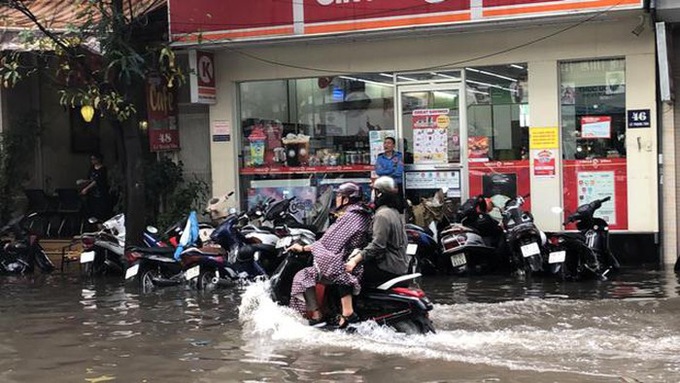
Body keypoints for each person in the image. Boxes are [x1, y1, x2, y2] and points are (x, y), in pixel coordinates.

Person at [288, 182, 372, 327]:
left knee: (302, 276)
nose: (336, 198)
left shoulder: (351, 216)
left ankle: (318, 314)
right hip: (356, 260)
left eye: (339, 195)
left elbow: (327, 243)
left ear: (346, 199)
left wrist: (302, 249)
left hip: (347, 264)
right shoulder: (362, 214)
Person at [343, 176, 409, 326]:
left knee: (343, 273)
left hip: (387, 266)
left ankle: (347, 315)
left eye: (374, 190)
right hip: (399, 264)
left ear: (379, 193)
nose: (372, 194)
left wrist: (355, 259)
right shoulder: (395, 212)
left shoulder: (382, 215)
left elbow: (377, 246)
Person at [79, 153, 112, 220]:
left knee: (99, 211)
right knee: (91, 210)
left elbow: (97, 181)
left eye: (94, 159)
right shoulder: (92, 169)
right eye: (91, 159)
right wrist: (84, 181)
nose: (92, 161)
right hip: (92, 193)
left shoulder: (103, 169)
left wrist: (86, 189)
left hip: (100, 193)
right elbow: (91, 179)